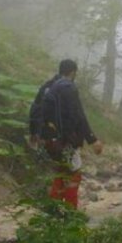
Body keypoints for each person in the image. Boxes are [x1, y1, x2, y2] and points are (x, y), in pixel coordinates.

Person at [31, 59, 103, 209]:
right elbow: (78, 115)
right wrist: (92, 139)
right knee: (74, 173)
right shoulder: (68, 87)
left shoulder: (48, 86)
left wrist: (35, 133)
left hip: (48, 140)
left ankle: (55, 211)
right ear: (73, 72)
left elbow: (35, 109)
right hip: (65, 140)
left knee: (60, 171)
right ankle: (71, 212)